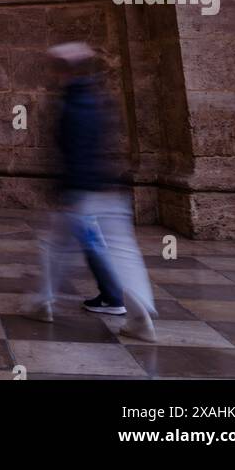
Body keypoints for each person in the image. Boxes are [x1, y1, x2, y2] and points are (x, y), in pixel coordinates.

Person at [27, 42, 157, 342]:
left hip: (79, 191)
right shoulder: (99, 96)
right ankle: (141, 317)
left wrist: (64, 191)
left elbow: (71, 149)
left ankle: (42, 302)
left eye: (56, 68)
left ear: (65, 70)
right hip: (108, 187)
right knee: (124, 253)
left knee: (54, 249)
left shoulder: (69, 102)